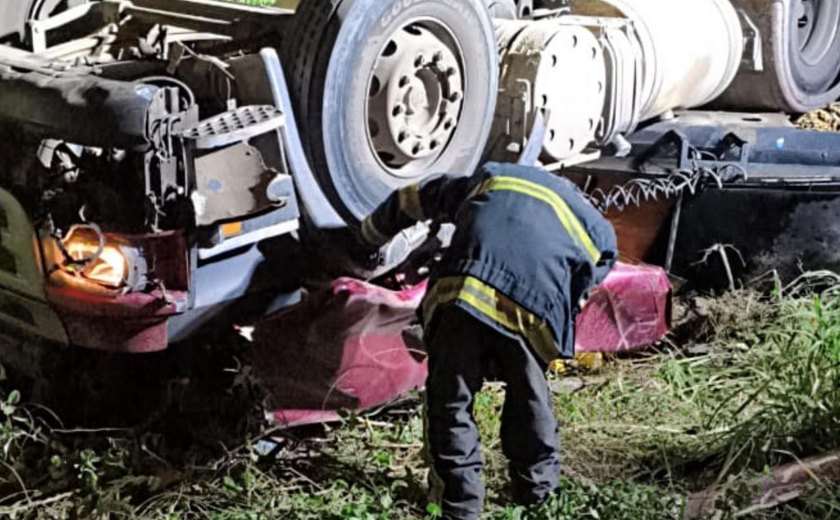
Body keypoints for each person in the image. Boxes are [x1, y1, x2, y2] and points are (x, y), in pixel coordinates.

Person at [357, 162, 617, 519]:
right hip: (530, 307)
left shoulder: (495, 177)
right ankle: (538, 495)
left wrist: (367, 236)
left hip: (462, 287)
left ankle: (460, 507)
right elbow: (574, 295)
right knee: (529, 397)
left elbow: (415, 198)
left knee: (450, 400)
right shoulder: (601, 234)